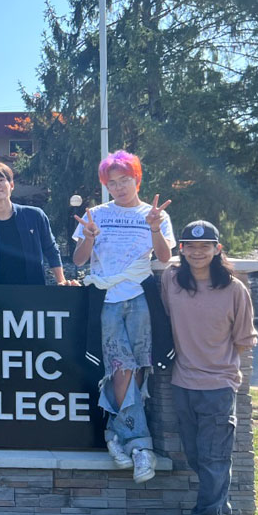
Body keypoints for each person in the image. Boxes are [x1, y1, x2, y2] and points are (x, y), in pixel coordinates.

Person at [72, 150, 175, 483]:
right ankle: (140, 445)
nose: (118, 187)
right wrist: (88, 237)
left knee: (139, 368)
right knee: (121, 369)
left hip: (141, 297)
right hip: (107, 300)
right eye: (112, 182)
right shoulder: (97, 215)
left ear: (137, 180)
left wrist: (155, 228)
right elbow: (78, 260)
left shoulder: (154, 214)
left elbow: (164, 257)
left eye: (124, 180)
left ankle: (116, 435)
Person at [161, 220, 257, 515]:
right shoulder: (171, 281)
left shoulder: (234, 290)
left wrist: (217, 365)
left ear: (218, 249)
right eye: (190, 246)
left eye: (205, 246)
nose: (197, 252)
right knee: (197, 457)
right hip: (182, 384)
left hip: (218, 387)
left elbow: (243, 340)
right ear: (182, 249)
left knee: (215, 459)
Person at [0, 161, 78, 286]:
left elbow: (51, 249)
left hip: (33, 291)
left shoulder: (35, 216)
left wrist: (61, 280)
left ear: (11, 185)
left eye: (1, 180)